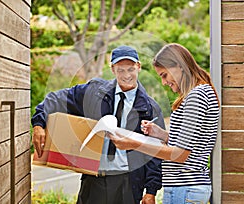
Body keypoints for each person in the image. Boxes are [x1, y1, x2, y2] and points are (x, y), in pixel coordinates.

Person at [31, 45, 166, 204]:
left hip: (128, 184)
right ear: (113, 69)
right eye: (120, 70)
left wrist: (151, 191)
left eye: (130, 69)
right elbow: (55, 99)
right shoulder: (94, 92)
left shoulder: (150, 107)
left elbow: (156, 151)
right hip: (94, 180)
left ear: (139, 67)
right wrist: (39, 124)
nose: (126, 75)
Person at [109, 43, 220, 204]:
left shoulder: (197, 96)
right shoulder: (198, 93)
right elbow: (192, 144)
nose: (163, 82)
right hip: (185, 189)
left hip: (185, 189)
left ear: (178, 66)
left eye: (164, 75)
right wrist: (161, 134)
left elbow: (180, 154)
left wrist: (133, 144)